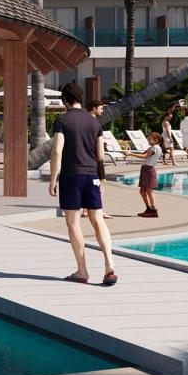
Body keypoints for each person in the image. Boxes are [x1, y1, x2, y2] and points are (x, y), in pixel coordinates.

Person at [49, 82, 118, 286]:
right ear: (81, 98)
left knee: (73, 222)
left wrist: (53, 179)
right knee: (98, 220)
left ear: (64, 100)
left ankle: (82, 271)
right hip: (92, 176)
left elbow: (57, 151)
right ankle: (110, 266)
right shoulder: (94, 122)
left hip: (71, 176)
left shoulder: (62, 120)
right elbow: (100, 155)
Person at [82, 101, 114, 220]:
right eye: (100, 108)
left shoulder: (84, 121)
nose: (102, 110)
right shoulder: (94, 123)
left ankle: (86, 209)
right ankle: (98, 209)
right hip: (96, 157)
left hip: (87, 156)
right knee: (101, 182)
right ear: (94, 109)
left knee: (90, 183)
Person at [128, 131, 163, 218]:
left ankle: (153, 210)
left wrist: (131, 154)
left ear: (156, 140)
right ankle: (148, 209)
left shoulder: (154, 148)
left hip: (149, 170)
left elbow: (144, 156)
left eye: (150, 138)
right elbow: (144, 154)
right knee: (142, 191)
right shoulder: (155, 147)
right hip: (146, 169)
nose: (148, 139)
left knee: (149, 191)